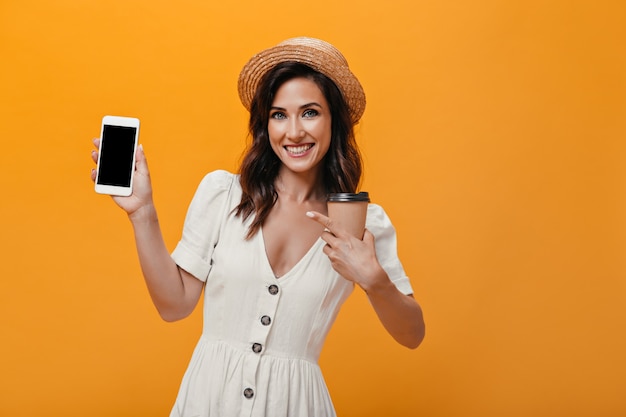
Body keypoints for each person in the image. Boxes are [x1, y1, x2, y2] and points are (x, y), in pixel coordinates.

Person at [90, 36, 425, 417]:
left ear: (335, 119)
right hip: (208, 400)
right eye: (279, 115)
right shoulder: (224, 194)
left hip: (298, 405)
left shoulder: (361, 220)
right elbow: (174, 305)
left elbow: (412, 334)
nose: (294, 131)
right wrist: (142, 213)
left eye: (310, 112)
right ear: (265, 125)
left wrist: (374, 280)